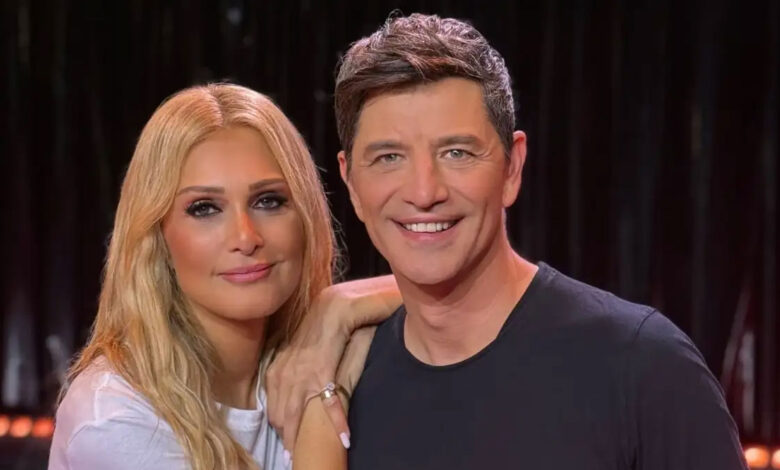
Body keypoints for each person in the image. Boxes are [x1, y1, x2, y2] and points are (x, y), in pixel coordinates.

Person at [327, 13, 747, 469]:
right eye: (389, 158)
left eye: (457, 153)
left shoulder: (643, 366)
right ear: (351, 184)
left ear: (512, 168)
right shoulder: (341, 387)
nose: (424, 192)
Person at [48, 83, 399, 470]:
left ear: (306, 216)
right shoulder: (115, 420)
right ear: (157, 236)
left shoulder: (303, 356)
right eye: (204, 208)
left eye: (268, 201)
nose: (246, 238)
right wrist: (325, 394)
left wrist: (337, 308)